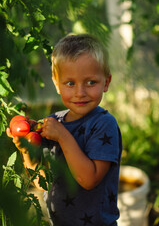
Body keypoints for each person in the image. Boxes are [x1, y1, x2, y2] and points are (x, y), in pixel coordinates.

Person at [7, 34, 122, 226]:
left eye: (91, 82)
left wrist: (62, 136)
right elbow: (41, 182)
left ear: (106, 82)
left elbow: (89, 179)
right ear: (56, 83)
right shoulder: (52, 123)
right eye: (70, 83)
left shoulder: (103, 124)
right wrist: (27, 150)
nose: (80, 92)